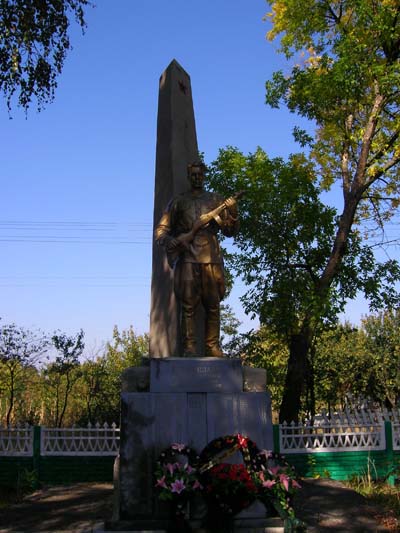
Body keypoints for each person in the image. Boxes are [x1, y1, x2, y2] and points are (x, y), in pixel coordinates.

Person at [155, 161, 239, 357]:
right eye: (193, 174)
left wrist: (233, 211)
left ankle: (213, 347)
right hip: (187, 258)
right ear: (188, 176)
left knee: (213, 305)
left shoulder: (216, 200)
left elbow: (230, 231)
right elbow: (161, 230)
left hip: (211, 258)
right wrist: (171, 242)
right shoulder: (178, 202)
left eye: (199, 174)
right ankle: (190, 347)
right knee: (188, 307)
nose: (196, 178)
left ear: (204, 175)